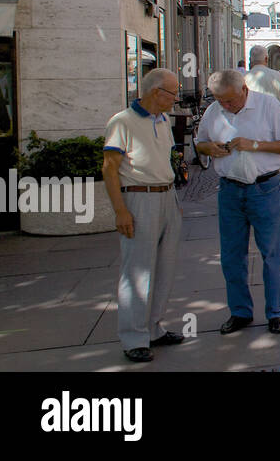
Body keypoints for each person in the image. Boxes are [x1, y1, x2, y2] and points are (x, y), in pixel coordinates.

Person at [195, 69, 280, 335]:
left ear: (244, 89)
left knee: (271, 253)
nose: (226, 106)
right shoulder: (213, 111)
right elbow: (200, 143)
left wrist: (253, 145)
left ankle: (275, 313)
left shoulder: (267, 105)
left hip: (264, 188)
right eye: (221, 101)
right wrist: (211, 148)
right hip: (229, 190)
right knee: (231, 256)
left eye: (230, 100)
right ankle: (240, 312)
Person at [102, 68, 184, 363]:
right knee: (137, 270)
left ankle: (154, 328)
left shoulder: (163, 121)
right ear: (155, 92)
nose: (175, 98)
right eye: (172, 92)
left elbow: (166, 160)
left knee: (165, 266)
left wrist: (174, 198)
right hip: (139, 197)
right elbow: (110, 168)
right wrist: (120, 210)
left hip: (166, 196)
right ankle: (134, 336)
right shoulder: (122, 122)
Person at [246, 45, 280, 127]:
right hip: (272, 122)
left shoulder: (243, 77)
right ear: (266, 59)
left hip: (250, 123)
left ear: (250, 59)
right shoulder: (277, 76)